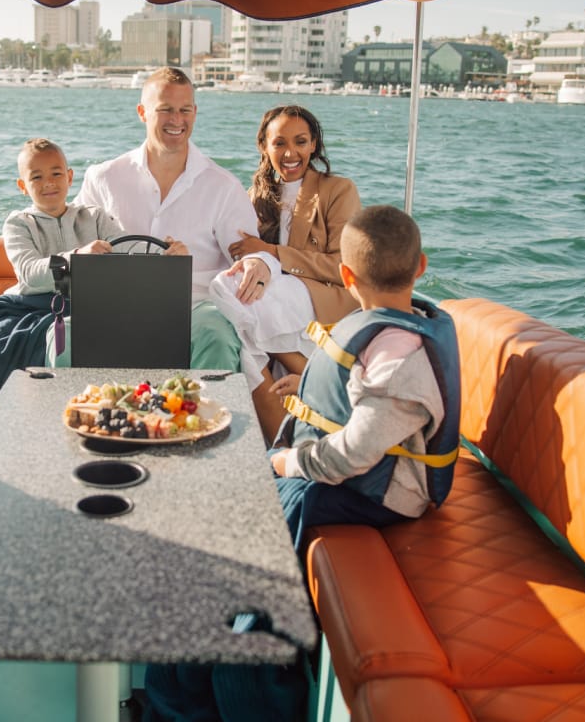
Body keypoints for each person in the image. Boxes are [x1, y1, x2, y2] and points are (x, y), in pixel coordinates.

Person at [0, 137, 186, 425]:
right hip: (32, 305)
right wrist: (77, 257)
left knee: (151, 322)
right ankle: (64, 418)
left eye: (56, 173)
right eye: (37, 176)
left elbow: (129, 251)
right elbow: (29, 273)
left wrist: (168, 253)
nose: (49, 182)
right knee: (60, 334)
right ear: (23, 186)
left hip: (89, 303)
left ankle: (144, 411)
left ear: (70, 177)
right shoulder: (19, 224)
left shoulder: (93, 216)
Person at [268, 204, 462, 552]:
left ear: (346, 276)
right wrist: (310, 389)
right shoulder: (391, 331)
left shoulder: (400, 363)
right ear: (420, 266)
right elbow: (366, 396)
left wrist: (288, 463)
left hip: (382, 495)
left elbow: (354, 454)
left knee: (261, 505)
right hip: (358, 471)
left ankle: (257, 605)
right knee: (244, 477)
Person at [75, 67, 270, 371]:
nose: (177, 120)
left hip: (196, 310)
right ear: (142, 112)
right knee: (62, 339)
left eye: (185, 110)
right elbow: (74, 244)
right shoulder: (103, 178)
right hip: (115, 306)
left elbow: (250, 252)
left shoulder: (223, 186)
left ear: (195, 112)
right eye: (165, 109)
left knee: (216, 334)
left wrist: (260, 263)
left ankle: (207, 419)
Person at [209, 104, 361, 439]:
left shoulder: (338, 190)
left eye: (301, 142)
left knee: (247, 306)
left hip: (325, 298)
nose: (291, 152)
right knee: (238, 327)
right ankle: (282, 444)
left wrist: (272, 253)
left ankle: (315, 377)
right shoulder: (254, 197)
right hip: (277, 302)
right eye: (279, 143)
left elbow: (343, 266)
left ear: (313, 146)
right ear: (264, 146)